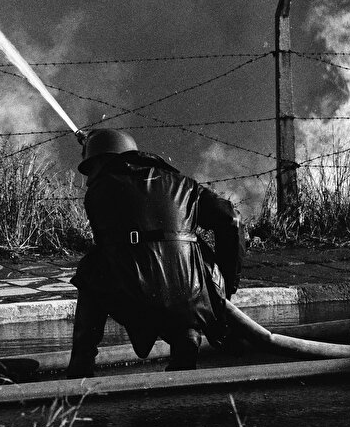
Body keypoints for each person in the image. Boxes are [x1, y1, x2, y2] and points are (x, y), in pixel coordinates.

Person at [66, 128, 245, 378]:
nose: (90, 177)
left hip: (133, 297)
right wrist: (226, 284)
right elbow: (231, 219)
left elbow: (111, 248)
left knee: (91, 268)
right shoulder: (185, 185)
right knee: (193, 248)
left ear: (103, 162)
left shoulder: (97, 193)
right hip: (190, 298)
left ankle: (80, 367)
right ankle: (187, 341)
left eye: (92, 168)